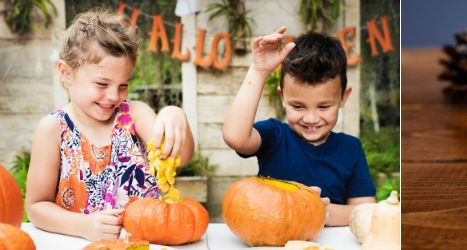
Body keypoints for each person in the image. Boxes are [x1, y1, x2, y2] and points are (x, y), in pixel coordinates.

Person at [26, 10, 194, 241]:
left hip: (144, 243)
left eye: (123, 85)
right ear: (66, 73)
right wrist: (84, 226)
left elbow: (181, 157)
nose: (114, 96)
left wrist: (176, 115)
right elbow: (36, 207)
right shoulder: (53, 129)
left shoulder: (135, 115)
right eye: (102, 83)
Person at [222, 27, 376, 226]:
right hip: (274, 240)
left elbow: (367, 211)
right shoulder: (274, 136)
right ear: (282, 98)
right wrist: (259, 71)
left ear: (343, 98)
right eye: (298, 106)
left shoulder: (351, 148)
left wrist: (324, 212)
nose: (311, 118)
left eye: (323, 106)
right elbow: (235, 137)